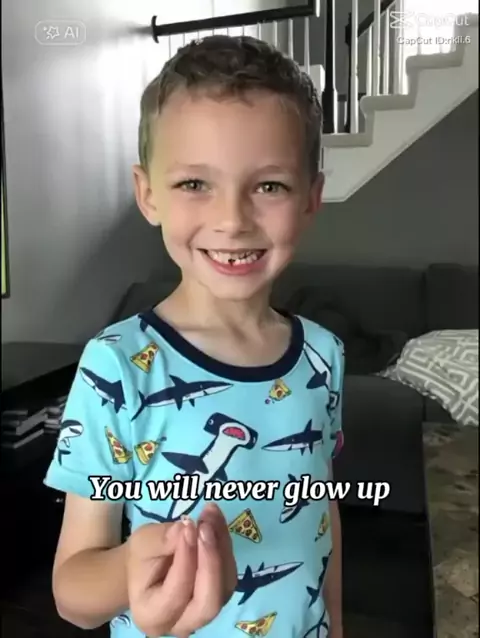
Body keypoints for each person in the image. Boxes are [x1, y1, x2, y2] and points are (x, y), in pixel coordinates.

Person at [44, 34, 345, 638]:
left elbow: (324, 512)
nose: (232, 220)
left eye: (269, 186)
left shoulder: (323, 353)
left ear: (312, 197)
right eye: (194, 184)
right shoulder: (116, 366)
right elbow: (72, 595)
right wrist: (133, 566)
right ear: (147, 194)